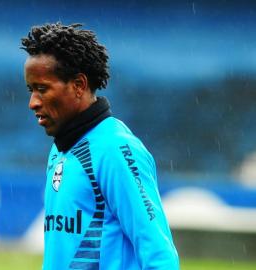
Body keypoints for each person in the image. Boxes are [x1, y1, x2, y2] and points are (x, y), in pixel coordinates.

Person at [21, 22, 179, 270]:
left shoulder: (116, 149)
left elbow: (158, 252)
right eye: (31, 90)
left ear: (78, 85)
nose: (33, 102)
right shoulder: (60, 149)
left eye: (42, 89)